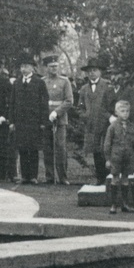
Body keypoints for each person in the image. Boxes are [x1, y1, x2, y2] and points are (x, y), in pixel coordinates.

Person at [78, 58, 117, 186]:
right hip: (91, 125)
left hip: (105, 124)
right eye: (89, 71)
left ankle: (109, 178)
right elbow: (80, 107)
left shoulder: (108, 86)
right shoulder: (84, 89)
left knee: (105, 150)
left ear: (100, 72)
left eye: (94, 70)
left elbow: (112, 105)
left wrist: (110, 117)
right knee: (95, 151)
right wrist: (85, 116)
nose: (92, 73)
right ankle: (100, 179)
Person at [10, 58, 49, 184]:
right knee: (22, 148)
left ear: (32, 68)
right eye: (22, 66)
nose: (23, 69)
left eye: (26, 66)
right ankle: (24, 176)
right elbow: (12, 103)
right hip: (20, 122)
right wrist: (12, 121)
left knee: (33, 149)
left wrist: (43, 121)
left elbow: (44, 103)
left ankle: (33, 176)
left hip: (34, 121)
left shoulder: (39, 83)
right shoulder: (16, 83)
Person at [41, 56, 73, 185]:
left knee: (60, 147)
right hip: (46, 118)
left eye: (56, 66)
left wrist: (56, 112)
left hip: (59, 120)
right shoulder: (42, 81)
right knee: (47, 148)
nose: (54, 68)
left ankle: (63, 177)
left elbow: (69, 101)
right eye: (51, 66)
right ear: (46, 68)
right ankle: (49, 176)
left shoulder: (64, 81)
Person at [103, 100, 134, 214]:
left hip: (128, 157)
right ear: (116, 112)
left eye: (127, 111)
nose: (125, 113)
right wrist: (108, 159)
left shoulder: (132, 127)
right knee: (115, 179)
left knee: (125, 180)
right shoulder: (112, 127)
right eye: (122, 111)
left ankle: (124, 204)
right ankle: (113, 205)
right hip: (116, 157)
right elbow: (107, 144)